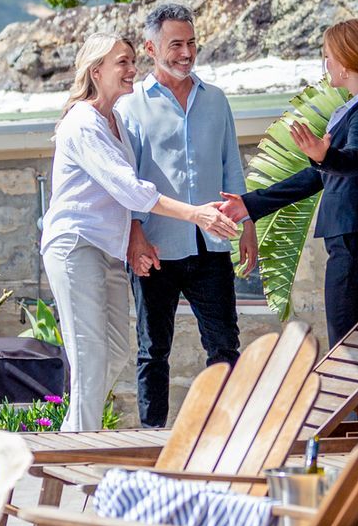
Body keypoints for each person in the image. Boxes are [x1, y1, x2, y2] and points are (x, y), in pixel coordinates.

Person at [41, 35, 239, 432]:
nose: (132, 70)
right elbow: (131, 189)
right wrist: (196, 214)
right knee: (90, 355)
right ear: (96, 71)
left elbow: (127, 196)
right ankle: (78, 452)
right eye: (122, 63)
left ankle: (71, 438)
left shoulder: (114, 121)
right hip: (75, 247)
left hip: (106, 249)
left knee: (113, 352)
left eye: (133, 61)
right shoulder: (82, 123)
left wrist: (136, 237)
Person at [219, 19, 358, 414]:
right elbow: (318, 175)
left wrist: (327, 156)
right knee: (354, 350)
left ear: (347, 58)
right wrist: (250, 205)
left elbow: (354, 161)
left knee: (351, 352)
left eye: (329, 53)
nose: (325, 61)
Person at [118, 3, 257, 427]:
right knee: (152, 350)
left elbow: (231, 164)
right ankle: (152, 441)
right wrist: (135, 236)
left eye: (191, 43)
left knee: (224, 348)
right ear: (151, 47)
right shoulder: (130, 108)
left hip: (212, 246)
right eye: (175, 44)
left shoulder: (215, 100)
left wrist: (248, 224)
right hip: (156, 246)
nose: (186, 53)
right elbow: (127, 182)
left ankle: (225, 436)